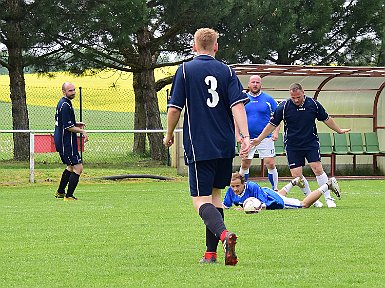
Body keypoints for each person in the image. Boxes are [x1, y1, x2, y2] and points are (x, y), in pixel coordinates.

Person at [163, 28, 250, 265]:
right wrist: (244, 136)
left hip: (200, 145)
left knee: (200, 201)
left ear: (193, 46)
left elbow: (174, 108)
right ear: (216, 47)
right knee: (215, 198)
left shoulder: (185, 70)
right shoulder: (227, 71)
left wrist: (168, 134)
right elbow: (238, 106)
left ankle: (224, 236)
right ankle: (210, 255)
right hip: (224, 145)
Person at [251, 83, 350, 208]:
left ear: (303, 92)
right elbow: (272, 124)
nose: (296, 100)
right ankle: (312, 199)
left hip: (310, 143)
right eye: (293, 98)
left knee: (317, 168)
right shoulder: (284, 106)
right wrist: (259, 139)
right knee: (297, 176)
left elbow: (326, 119)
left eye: (298, 97)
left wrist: (339, 130)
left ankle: (328, 198)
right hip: (292, 145)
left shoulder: (313, 104)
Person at [236, 75, 280, 189]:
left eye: (257, 82)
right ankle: (242, 189)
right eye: (253, 82)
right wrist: (237, 135)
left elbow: (277, 117)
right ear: (248, 84)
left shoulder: (268, 99)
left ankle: (275, 189)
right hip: (247, 138)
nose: (255, 84)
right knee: (245, 163)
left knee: (270, 163)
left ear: (261, 84)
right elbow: (236, 118)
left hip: (265, 137)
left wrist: (275, 132)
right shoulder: (243, 99)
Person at [223, 172, 341, 210]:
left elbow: (263, 204)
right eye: (233, 186)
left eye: (237, 186)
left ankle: (327, 184)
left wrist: (245, 208)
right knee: (280, 196)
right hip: (268, 193)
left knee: (303, 205)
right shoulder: (230, 191)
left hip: (272, 199)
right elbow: (225, 205)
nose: (235, 189)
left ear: (244, 183)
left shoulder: (252, 187)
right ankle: (294, 182)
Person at [54, 82, 88, 201]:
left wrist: (76, 124)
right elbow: (68, 127)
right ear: (64, 92)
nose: (73, 92)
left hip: (63, 140)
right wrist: (82, 131)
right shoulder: (65, 105)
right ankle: (69, 196)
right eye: (70, 91)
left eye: (74, 90)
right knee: (78, 168)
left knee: (70, 167)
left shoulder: (63, 103)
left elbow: (64, 122)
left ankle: (60, 192)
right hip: (66, 142)